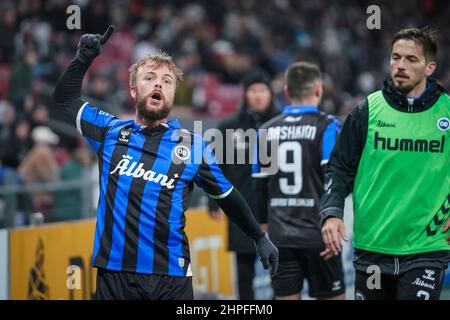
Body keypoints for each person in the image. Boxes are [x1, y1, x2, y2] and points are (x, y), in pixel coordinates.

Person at [52, 26, 278, 300]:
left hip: (171, 280)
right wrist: (82, 60)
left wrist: (258, 237)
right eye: (150, 78)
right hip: (113, 276)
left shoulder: (193, 146)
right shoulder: (109, 131)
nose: (159, 84)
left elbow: (227, 196)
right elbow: (64, 100)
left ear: (172, 95)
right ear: (133, 91)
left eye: (167, 81)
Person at [319, 28, 450, 300]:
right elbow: (339, 167)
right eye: (396, 57)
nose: (400, 65)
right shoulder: (367, 110)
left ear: (430, 67)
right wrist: (331, 212)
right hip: (373, 247)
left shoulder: (447, 112)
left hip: (426, 248)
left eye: (411, 59)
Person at [252, 62, 346, 300]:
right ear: (318, 89)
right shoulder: (327, 126)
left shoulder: (265, 131)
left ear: (286, 91)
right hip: (320, 235)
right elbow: (333, 179)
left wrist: (264, 230)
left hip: (280, 238)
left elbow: (259, 187)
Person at [208, 69, 280, 300]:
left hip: (278, 209)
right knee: (244, 272)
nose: (258, 95)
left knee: (283, 274)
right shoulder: (229, 127)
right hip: (242, 208)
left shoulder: (284, 124)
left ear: (270, 93)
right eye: (252, 90)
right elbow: (214, 168)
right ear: (245, 95)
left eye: (262, 90)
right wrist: (213, 201)